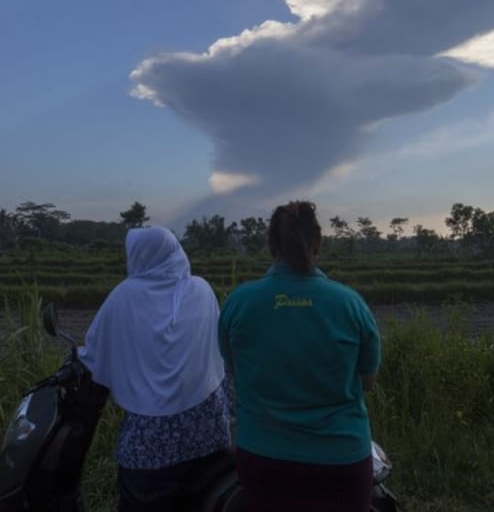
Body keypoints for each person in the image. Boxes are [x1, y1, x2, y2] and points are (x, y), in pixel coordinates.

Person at [218, 200, 382, 512]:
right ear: (318, 241)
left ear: (271, 245)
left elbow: (232, 369)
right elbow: (367, 380)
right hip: (342, 458)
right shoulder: (350, 304)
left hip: (263, 458)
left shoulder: (239, 302)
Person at [80, 226, 231, 512]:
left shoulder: (125, 295)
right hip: (209, 428)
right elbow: (217, 349)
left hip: (151, 443)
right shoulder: (201, 288)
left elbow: (94, 353)